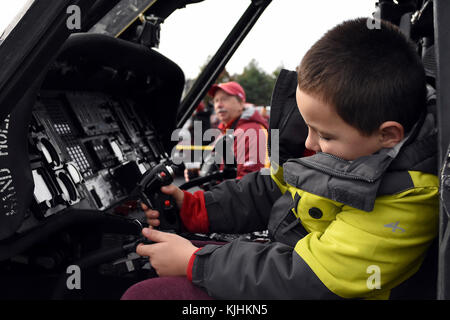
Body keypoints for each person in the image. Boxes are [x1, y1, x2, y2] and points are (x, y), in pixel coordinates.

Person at [122, 18, 438, 300]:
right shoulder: (355, 145)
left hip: (314, 283)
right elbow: (272, 189)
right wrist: (192, 208)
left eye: (324, 135)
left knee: (148, 294)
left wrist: (195, 262)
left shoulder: (408, 198)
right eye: (308, 126)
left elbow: (309, 279)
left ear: (388, 135)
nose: (308, 142)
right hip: (294, 261)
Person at [185, 81, 269, 183]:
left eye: (224, 99)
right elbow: (222, 176)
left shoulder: (253, 132)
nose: (219, 105)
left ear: (241, 103)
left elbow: (250, 185)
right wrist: (199, 177)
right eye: (216, 100)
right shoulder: (225, 131)